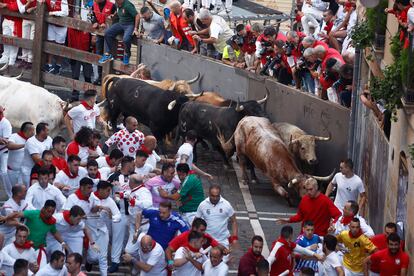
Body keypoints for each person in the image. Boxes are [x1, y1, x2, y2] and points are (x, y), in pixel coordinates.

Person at [4, 200, 69, 268]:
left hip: (39, 248)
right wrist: (6, 218)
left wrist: (63, 243)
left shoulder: (51, 221)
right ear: (43, 208)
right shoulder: (34, 213)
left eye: (52, 212)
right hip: (26, 247)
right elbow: (17, 214)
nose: (50, 214)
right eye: (48, 211)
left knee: (42, 270)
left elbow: (55, 232)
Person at [85, 181, 121, 276]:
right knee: (93, 257)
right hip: (91, 230)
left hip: (103, 231)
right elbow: (89, 209)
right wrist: (100, 207)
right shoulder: (91, 196)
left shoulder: (109, 200)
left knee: (103, 257)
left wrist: (112, 217)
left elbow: (118, 215)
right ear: (100, 190)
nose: (109, 193)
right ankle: (88, 261)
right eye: (108, 190)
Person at [107, 156, 135, 273]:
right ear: (127, 164)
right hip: (119, 212)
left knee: (131, 237)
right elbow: (107, 193)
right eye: (132, 164)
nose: (134, 166)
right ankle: (115, 261)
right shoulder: (113, 177)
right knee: (117, 237)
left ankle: (129, 258)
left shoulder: (135, 177)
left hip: (133, 213)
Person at [196, 184, 238, 252]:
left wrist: (235, 237)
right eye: (213, 196)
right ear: (209, 194)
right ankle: (171, 262)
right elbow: (196, 221)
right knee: (206, 262)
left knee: (223, 261)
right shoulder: (202, 205)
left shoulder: (226, 205)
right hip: (207, 241)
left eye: (217, 196)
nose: (215, 198)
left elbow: (234, 221)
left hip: (222, 240)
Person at [98, 0, 139, 65]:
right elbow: (117, 12)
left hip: (129, 24)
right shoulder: (117, 4)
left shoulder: (128, 5)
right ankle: (111, 53)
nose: (116, 2)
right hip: (121, 23)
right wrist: (113, 15)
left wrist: (136, 28)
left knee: (126, 39)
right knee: (108, 33)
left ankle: (127, 54)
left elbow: (137, 15)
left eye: (117, 1)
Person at [124, 174, 153, 256]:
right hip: (133, 225)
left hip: (143, 226)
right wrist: (123, 195)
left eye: (129, 181)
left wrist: (135, 202)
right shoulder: (134, 190)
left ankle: (142, 264)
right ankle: (138, 264)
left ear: (132, 182)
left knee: (141, 249)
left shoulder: (144, 191)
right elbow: (128, 194)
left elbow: (148, 204)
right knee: (129, 250)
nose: (128, 183)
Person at [91, 0, 116, 85]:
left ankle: (108, 77)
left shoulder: (112, 6)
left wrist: (107, 24)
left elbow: (116, 19)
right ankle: (100, 77)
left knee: (108, 54)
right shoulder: (94, 5)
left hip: (110, 35)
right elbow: (92, 16)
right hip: (99, 33)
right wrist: (95, 22)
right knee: (99, 54)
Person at [20, 122, 53, 186]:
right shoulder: (31, 142)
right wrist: (51, 164)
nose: (49, 132)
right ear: (42, 131)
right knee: (29, 191)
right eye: (47, 130)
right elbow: (37, 159)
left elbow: (53, 152)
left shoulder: (49, 139)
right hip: (28, 172)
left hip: (42, 170)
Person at [43, 0, 69, 75]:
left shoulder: (63, 0)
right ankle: (49, 65)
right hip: (52, 24)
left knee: (59, 47)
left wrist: (53, 13)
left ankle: (58, 66)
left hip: (61, 26)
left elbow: (65, 13)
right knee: (50, 44)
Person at [6, 121, 34, 188]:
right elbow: (10, 146)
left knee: (22, 190)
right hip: (12, 170)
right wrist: (25, 145)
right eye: (33, 131)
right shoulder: (14, 136)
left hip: (25, 172)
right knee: (13, 190)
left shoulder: (32, 140)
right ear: (28, 131)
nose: (34, 133)